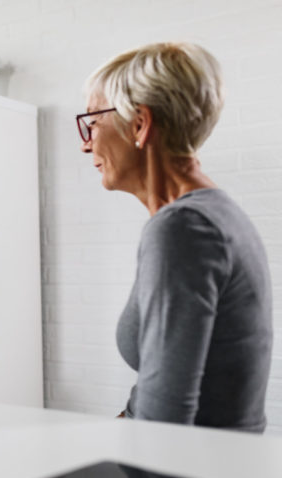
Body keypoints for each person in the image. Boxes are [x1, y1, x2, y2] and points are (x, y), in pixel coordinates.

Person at [78, 42, 272, 432]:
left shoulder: (183, 229)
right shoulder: (210, 214)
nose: (86, 144)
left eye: (93, 123)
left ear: (140, 124)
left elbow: (165, 425)